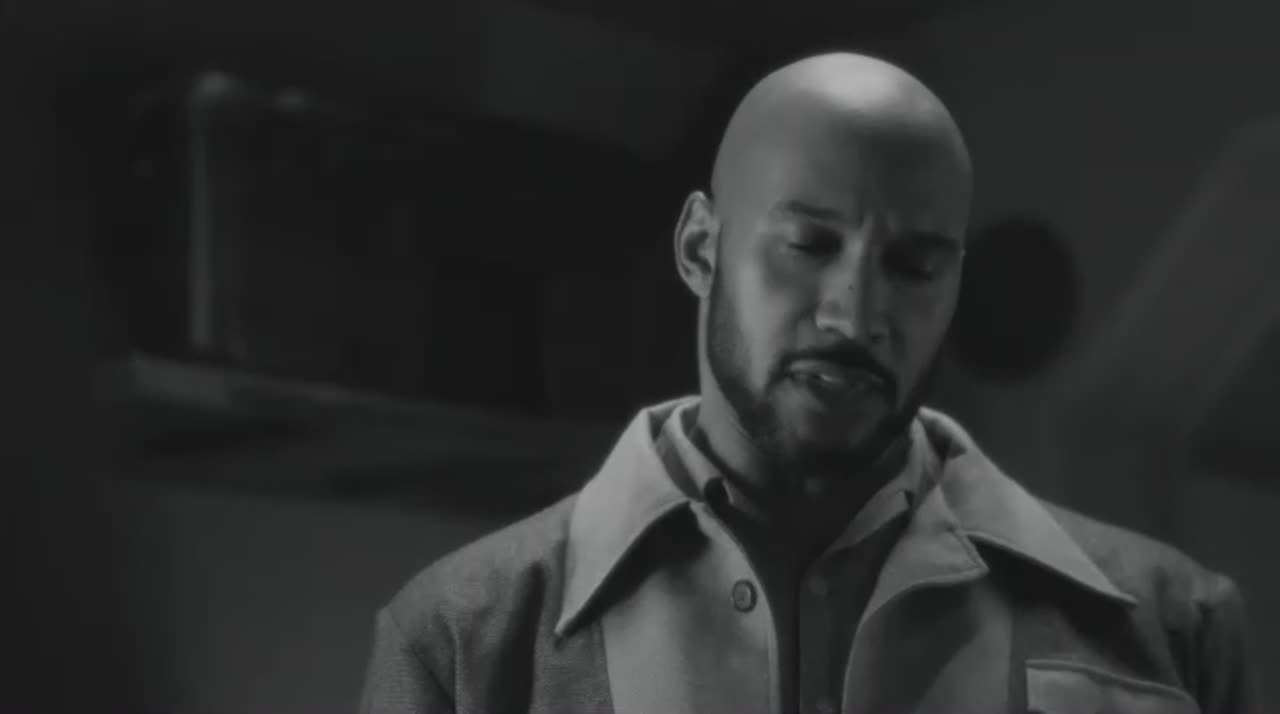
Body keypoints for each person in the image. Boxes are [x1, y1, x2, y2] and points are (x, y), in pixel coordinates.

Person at [359, 53, 1254, 714]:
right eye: (810, 245)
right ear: (700, 248)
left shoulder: (1175, 626)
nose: (856, 314)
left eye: (913, 266)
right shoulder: (462, 638)